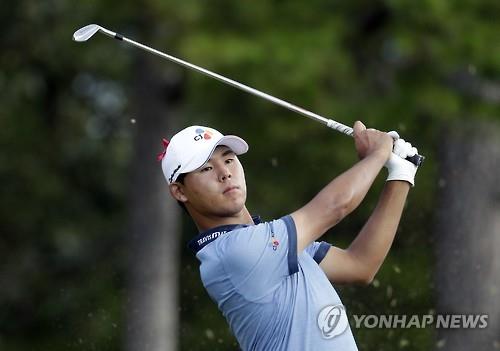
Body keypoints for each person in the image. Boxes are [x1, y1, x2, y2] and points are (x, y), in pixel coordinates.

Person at [158, 122, 419, 350]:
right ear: (180, 191)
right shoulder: (235, 253)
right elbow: (335, 207)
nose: (224, 172)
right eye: (205, 169)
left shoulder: (273, 243)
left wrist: (401, 174)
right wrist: (378, 154)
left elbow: (360, 265)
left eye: (228, 159)